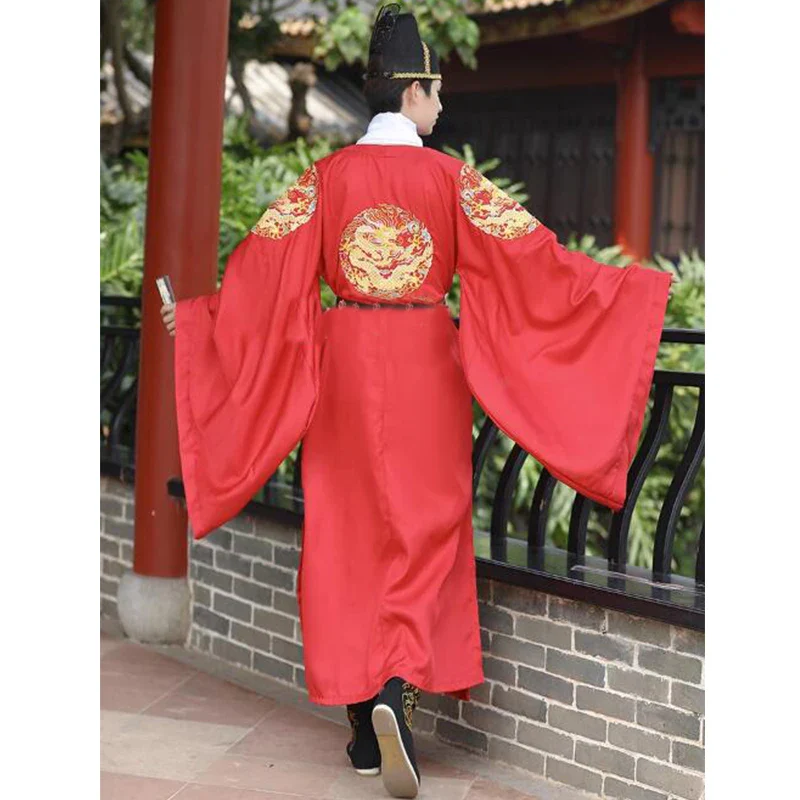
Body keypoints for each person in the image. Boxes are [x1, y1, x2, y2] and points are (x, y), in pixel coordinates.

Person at [160, 4, 674, 797]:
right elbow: (537, 264)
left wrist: (199, 321)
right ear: (411, 91)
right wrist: (633, 296)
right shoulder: (450, 180)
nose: (442, 103)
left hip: (344, 363)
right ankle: (398, 691)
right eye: (436, 89)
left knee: (347, 533)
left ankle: (362, 726)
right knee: (424, 528)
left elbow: (263, 273)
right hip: (425, 363)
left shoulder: (325, 180)